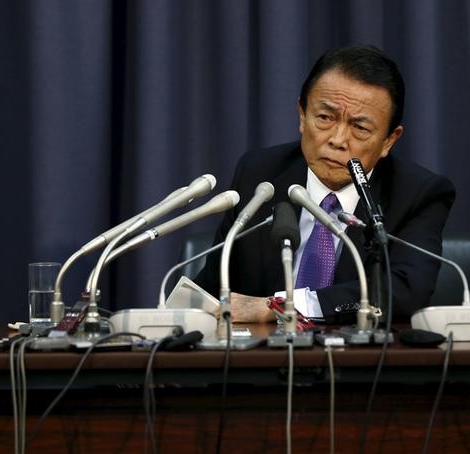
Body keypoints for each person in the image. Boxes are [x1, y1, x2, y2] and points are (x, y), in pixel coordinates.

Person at [193, 44, 455, 324]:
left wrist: (281, 306)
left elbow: (405, 291)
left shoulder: (416, 193)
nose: (338, 139)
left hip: (360, 363)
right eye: (325, 118)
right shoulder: (260, 175)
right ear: (302, 116)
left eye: (360, 128)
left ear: (389, 141)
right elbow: (214, 284)